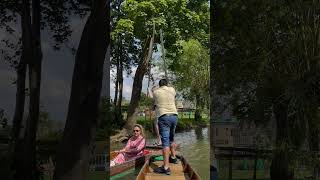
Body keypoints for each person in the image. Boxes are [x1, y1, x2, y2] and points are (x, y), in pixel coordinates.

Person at [152, 79, 178, 175]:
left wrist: (153, 89)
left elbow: (153, 104)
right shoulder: (172, 89)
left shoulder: (156, 92)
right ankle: (174, 158)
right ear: (167, 84)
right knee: (172, 139)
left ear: (159, 85)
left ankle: (166, 167)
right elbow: (172, 93)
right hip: (174, 116)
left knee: (165, 143)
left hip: (164, 117)